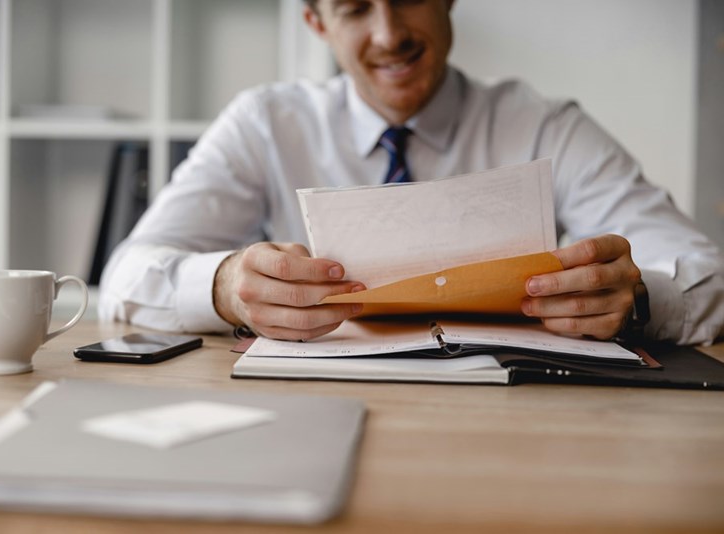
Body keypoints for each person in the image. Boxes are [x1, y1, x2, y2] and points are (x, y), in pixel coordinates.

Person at [99, 0, 724, 346]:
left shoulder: (545, 126)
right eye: (354, 8)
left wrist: (636, 299)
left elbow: (708, 278)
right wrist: (227, 285)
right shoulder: (265, 122)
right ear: (317, 22)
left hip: (507, 422)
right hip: (314, 411)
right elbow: (126, 276)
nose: (389, 33)